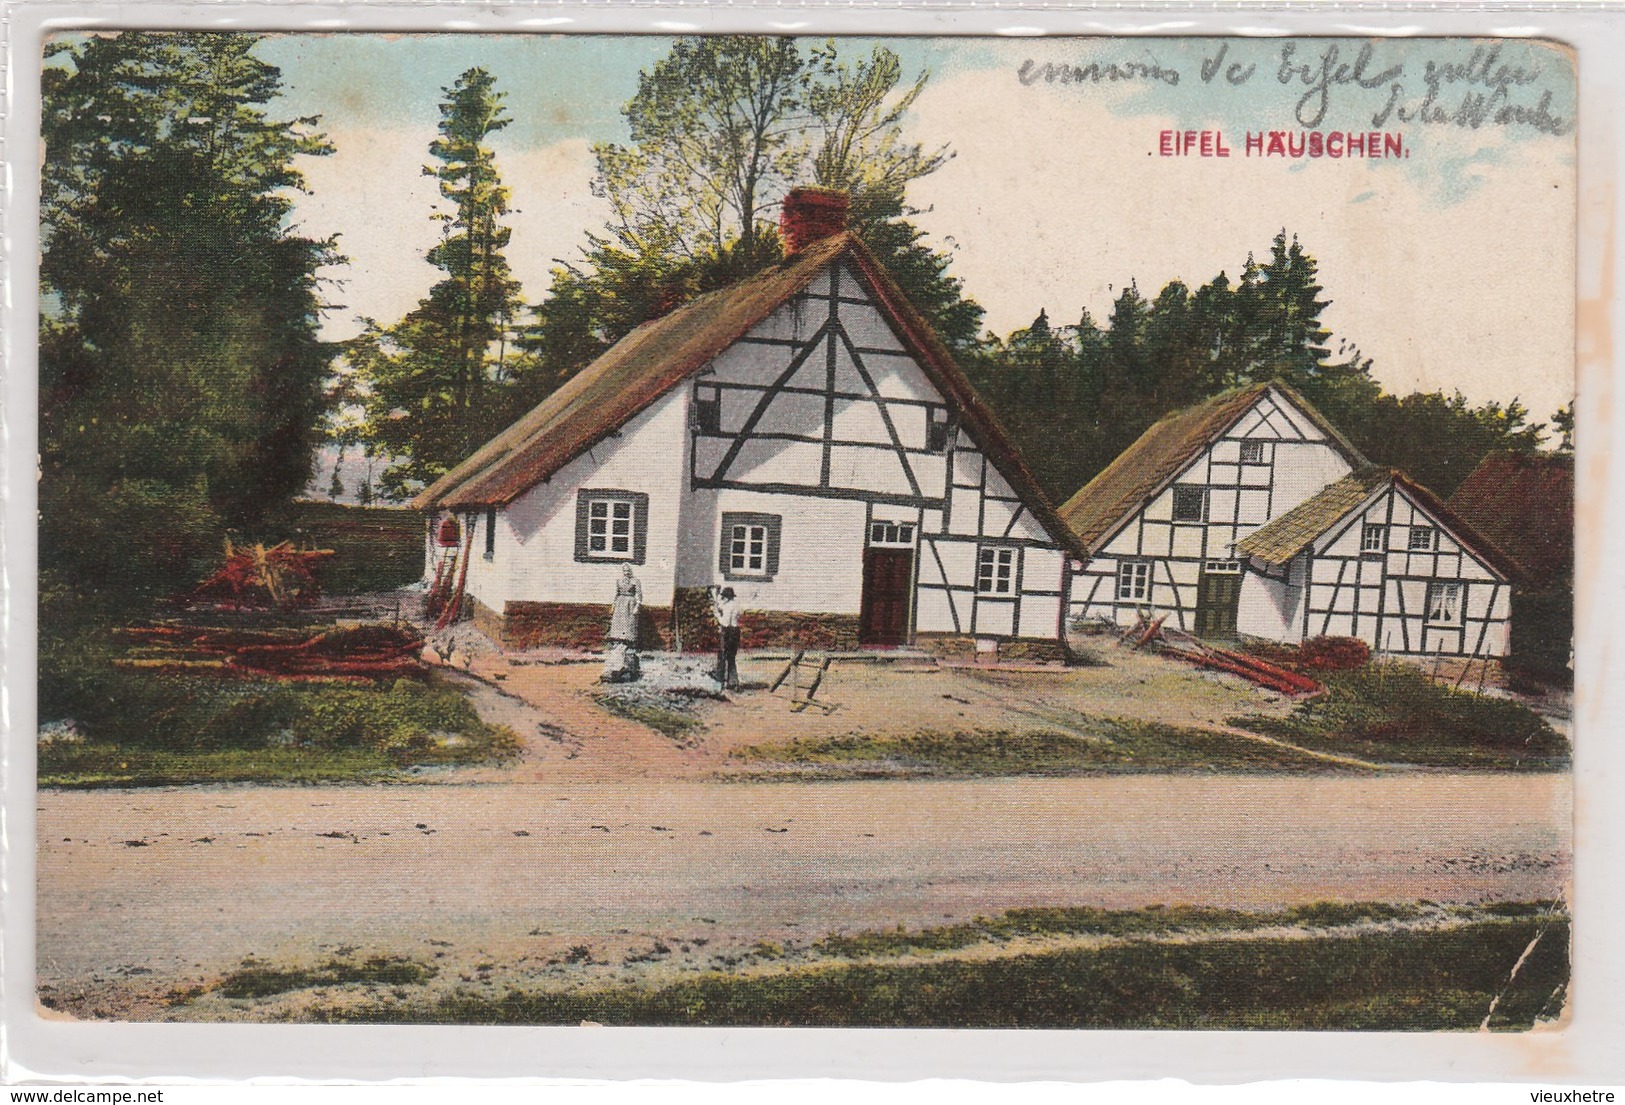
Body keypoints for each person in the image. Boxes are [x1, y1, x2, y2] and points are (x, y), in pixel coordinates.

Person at [601, 566, 643, 683]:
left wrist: (637, 606)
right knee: (619, 624)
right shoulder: (619, 581)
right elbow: (616, 594)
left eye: (628, 571)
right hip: (620, 603)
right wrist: (613, 605)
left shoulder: (635, 581)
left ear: (631, 571)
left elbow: (639, 595)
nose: (626, 573)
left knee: (629, 624)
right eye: (624, 571)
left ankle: (628, 641)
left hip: (630, 603)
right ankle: (618, 641)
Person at [710, 585, 742, 690]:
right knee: (731, 658)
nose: (722, 599)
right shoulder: (737, 605)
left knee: (722, 657)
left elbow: (725, 622)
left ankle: (719, 683)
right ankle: (733, 682)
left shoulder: (728, 606)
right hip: (736, 632)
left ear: (727, 597)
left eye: (724, 597)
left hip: (727, 632)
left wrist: (717, 615)